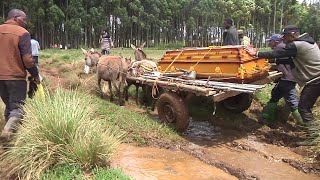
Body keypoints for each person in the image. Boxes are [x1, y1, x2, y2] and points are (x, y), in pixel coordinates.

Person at [246, 25, 320, 125]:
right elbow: (289, 59)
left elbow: (276, 53)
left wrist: (257, 53)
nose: (284, 39)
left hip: (315, 81)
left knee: (303, 108)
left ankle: (311, 133)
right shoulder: (308, 42)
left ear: (292, 35)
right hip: (316, 79)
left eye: (285, 36)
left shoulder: (296, 45)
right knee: (278, 94)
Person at [0, 9, 40, 140]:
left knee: (9, 107)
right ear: (16, 18)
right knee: (18, 108)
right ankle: (7, 130)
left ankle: (9, 142)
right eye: (24, 19)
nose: (26, 22)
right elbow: (28, 60)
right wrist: (35, 74)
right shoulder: (23, 33)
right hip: (15, 78)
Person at [261, 34, 302, 124]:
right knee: (275, 93)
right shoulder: (284, 47)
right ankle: (270, 115)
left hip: (288, 78)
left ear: (276, 42)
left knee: (292, 101)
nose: (269, 44)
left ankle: (305, 124)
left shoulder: (279, 48)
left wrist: (257, 56)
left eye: (270, 41)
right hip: (288, 77)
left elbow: (270, 57)